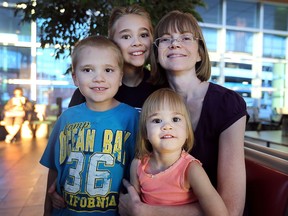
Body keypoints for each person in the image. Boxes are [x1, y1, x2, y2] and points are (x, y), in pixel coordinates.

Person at [118, 10, 248, 216]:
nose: (175, 44)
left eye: (185, 38)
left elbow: (231, 210)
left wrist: (146, 211)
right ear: (156, 53)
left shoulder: (227, 103)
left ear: (199, 53)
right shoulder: (149, 101)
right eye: (165, 39)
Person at [40, 35, 139, 215]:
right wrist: (47, 211)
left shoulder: (132, 118)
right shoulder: (66, 118)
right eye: (88, 70)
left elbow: (141, 172)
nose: (98, 78)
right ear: (75, 78)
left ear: (120, 77)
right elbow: (54, 168)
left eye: (108, 70)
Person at [129, 88, 228, 216]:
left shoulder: (191, 169)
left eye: (175, 119)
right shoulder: (137, 165)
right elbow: (134, 206)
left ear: (187, 131)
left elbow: (220, 213)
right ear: (145, 133)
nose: (167, 126)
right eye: (157, 120)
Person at [69, 4, 157, 110]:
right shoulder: (93, 89)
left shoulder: (160, 86)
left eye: (143, 35)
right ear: (112, 41)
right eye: (126, 36)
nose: (137, 43)